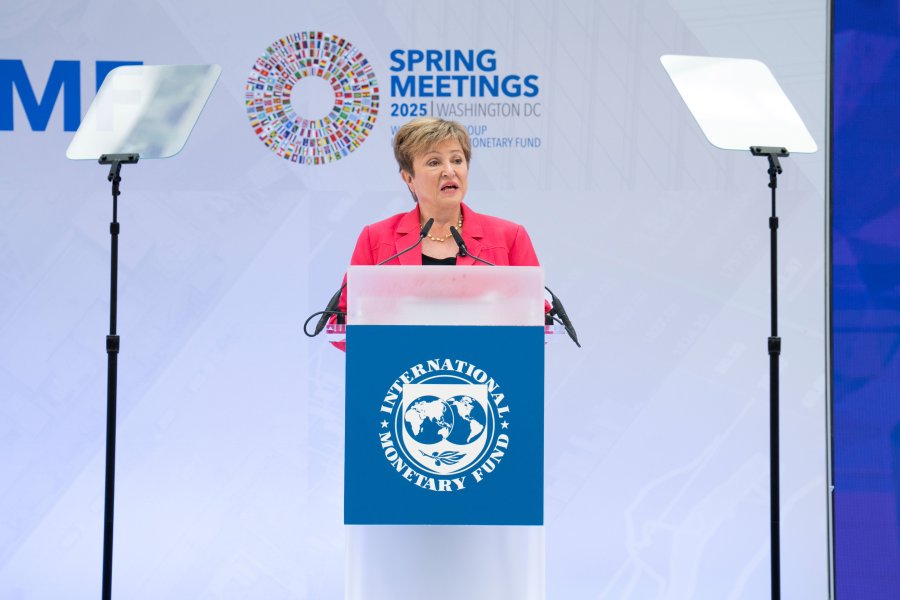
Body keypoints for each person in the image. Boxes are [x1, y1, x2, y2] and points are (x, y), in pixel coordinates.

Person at [335, 116, 543, 320]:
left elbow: (539, 317)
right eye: (434, 162)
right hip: (402, 354)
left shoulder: (509, 237)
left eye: (457, 160)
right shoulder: (376, 238)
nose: (449, 171)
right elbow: (343, 318)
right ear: (409, 178)